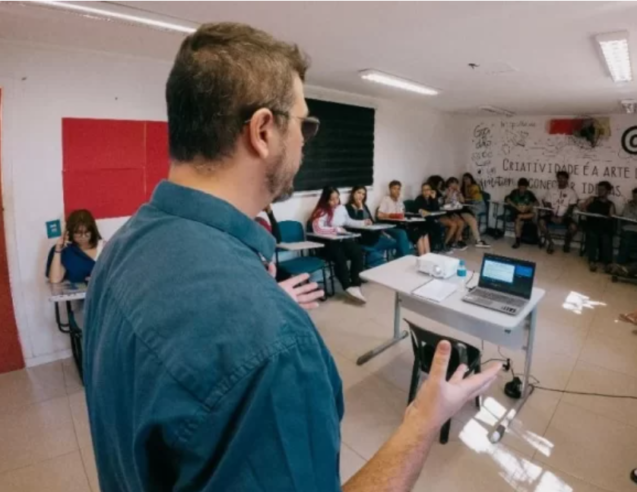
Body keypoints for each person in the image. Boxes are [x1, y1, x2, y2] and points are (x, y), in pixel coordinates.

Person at [84, 23, 501, 492]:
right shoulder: (275, 343)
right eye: (303, 124)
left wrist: (257, 294)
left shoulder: (120, 250)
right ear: (263, 130)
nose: (305, 142)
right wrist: (423, 421)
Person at [311, 186, 369, 303]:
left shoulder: (341, 208)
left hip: (340, 241)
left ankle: (355, 283)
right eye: (331, 199)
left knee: (357, 252)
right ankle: (347, 286)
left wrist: (362, 222)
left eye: (337, 198)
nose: (335, 202)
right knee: (340, 256)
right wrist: (336, 229)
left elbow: (348, 221)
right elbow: (317, 228)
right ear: (325, 200)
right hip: (326, 245)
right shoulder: (321, 211)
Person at [346, 185, 408, 265]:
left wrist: (382, 231)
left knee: (396, 241)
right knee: (377, 256)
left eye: (363, 194)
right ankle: (374, 258)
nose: (361, 196)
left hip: (372, 235)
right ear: (353, 193)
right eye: (359, 193)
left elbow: (372, 221)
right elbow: (358, 224)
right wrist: (360, 208)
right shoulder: (348, 208)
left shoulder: (364, 206)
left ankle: (402, 262)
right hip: (363, 238)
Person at [46, 209, 104, 284]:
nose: (83, 236)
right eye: (78, 233)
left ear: (92, 231)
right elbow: (55, 280)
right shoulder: (67, 251)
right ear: (70, 232)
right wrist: (58, 248)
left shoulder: (103, 247)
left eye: (86, 232)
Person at [377, 180, 431, 255]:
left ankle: (427, 257)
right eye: (394, 188)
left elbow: (403, 212)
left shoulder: (399, 200)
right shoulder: (386, 199)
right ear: (390, 189)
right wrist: (391, 215)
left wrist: (407, 215)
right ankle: (418, 257)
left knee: (423, 231)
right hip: (391, 226)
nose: (397, 191)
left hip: (402, 224)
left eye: (398, 189)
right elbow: (379, 215)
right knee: (414, 234)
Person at [579, 181, 617, 272]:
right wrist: (585, 210)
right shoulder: (592, 199)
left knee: (606, 238)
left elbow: (612, 217)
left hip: (604, 227)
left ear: (608, 191)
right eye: (598, 189)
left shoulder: (610, 204)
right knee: (592, 236)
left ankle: (607, 263)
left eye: (602, 190)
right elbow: (582, 208)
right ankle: (592, 261)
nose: (600, 191)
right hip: (591, 225)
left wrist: (610, 216)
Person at [538, 170, 578, 254]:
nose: (561, 180)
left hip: (565, 216)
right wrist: (552, 215)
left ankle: (567, 243)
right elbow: (548, 203)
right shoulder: (551, 190)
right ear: (557, 179)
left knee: (574, 227)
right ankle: (550, 243)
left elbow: (570, 208)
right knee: (541, 222)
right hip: (551, 214)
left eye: (563, 178)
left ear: (567, 179)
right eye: (559, 178)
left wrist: (562, 218)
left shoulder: (571, 192)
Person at [444, 176, 490, 248]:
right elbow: (446, 202)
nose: (454, 185)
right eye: (452, 183)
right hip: (451, 211)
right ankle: (458, 240)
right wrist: (450, 193)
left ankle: (478, 240)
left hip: (461, 209)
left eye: (456, 183)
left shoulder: (458, 191)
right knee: (461, 222)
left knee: (472, 220)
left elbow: (462, 201)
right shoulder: (447, 191)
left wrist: (459, 192)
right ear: (449, 184)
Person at [412, 182, 448, 253]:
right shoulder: (419, 199)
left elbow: (436, 210)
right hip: (422, 221)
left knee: (438, 226)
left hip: (430, 220)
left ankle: (435, 246)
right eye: (424, 190)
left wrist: (434, 199)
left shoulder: (432, 198)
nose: (426, 192)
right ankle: (433, 247)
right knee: (436, 226)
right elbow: (421, 210)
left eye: (427, 189)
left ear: (431, 190)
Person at [504, 177, 538, 249]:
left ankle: (521, 218)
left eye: (524, 188)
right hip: (516, 213)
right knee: (518, 221)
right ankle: (517, 241)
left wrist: (528, 207)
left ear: (526, 187)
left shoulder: (529, 193)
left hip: (526, 213)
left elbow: (536, 202)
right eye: (521, 188)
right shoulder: (514, 192)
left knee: (533, 214)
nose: (522, 190)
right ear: (518, 187)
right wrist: (516, 207)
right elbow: (507, 199)